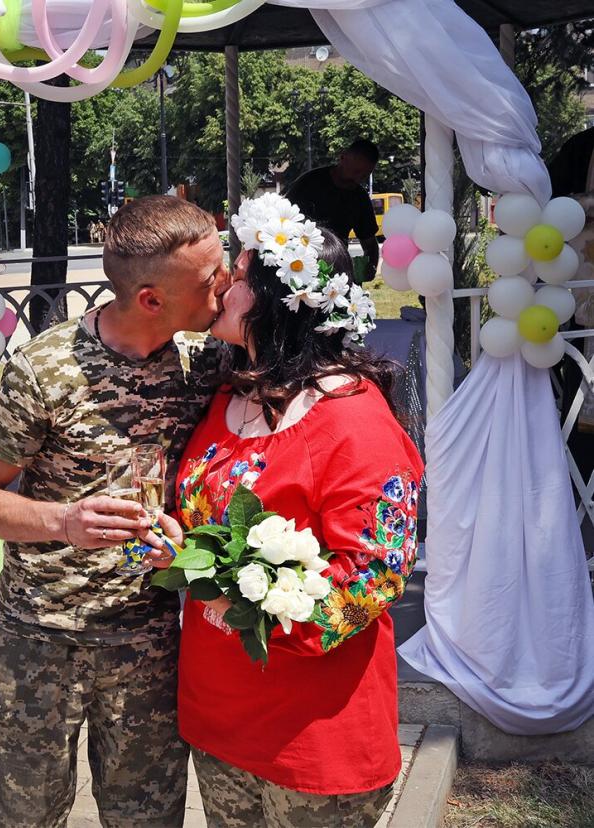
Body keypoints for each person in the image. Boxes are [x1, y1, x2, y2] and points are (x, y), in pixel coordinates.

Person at [0, 195, 230, 827]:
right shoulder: (45, 369)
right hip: (41, 639)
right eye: (209, 277)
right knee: (21, 814)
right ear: (152, 300)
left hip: (148, 638)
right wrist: (62, 522)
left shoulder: (205, 363)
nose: (225, 283)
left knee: (148, 817)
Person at [162, 192, 422, 827]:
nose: (224, 281)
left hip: (313, 729)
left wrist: (248, 610)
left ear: (286, 300)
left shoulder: (354, 420)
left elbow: (375, 573)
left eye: (243, 273)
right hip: (220, 710)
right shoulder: (227, 390)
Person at [286, 139, 381, 279]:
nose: (358, 179)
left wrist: (371, 266)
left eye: (365, 175)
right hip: (300, 266)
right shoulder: (309, 183)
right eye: (356, 171)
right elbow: (283, 220)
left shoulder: (359, 198)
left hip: (337, 270)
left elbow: (370, 243)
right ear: (343, 158)